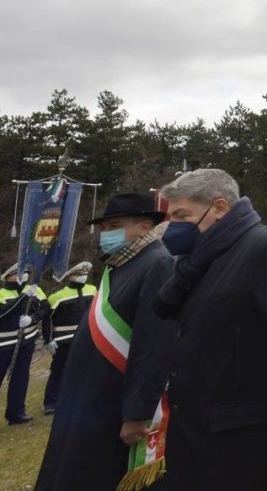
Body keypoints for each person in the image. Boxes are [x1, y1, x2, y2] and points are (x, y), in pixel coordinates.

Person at [152, 168, 267, 491]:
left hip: (245, 450)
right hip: (193, 443)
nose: (171, 227)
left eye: (181, 215)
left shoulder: (266, 250)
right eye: (169, 217)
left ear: (219, 208)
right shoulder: (196, 262)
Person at [36, 193, 174, 491]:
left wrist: (137, 412)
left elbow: (153, 345)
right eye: (104, 226)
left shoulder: (157, 263)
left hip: (115, 407)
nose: (105, 233)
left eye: (115, 225)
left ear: (144, 226)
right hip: (90, 400)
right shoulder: (120, 265)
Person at [41, 261, 97, 415]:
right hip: (64, 339)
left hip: (87, 337)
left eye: (85, 274)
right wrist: (48, 339)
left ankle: (81, 398)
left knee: (85, 370)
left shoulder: (92, 290)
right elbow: (47, 320)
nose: (83, 277)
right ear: (71, 277)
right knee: (58, 371)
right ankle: (51, 402)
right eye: (80, 275)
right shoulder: (57, 296)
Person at [0, 263, 48, 425]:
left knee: (21, 378)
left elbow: (45, 308)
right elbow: (3, 313)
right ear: (8, 277)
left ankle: (16, 412)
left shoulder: (34, 290)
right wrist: (22, 298)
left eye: (26, 273)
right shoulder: (1, 293)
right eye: (19, 274)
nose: (24, 276)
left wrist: (33, 319)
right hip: (4, 343)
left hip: (26, 341)